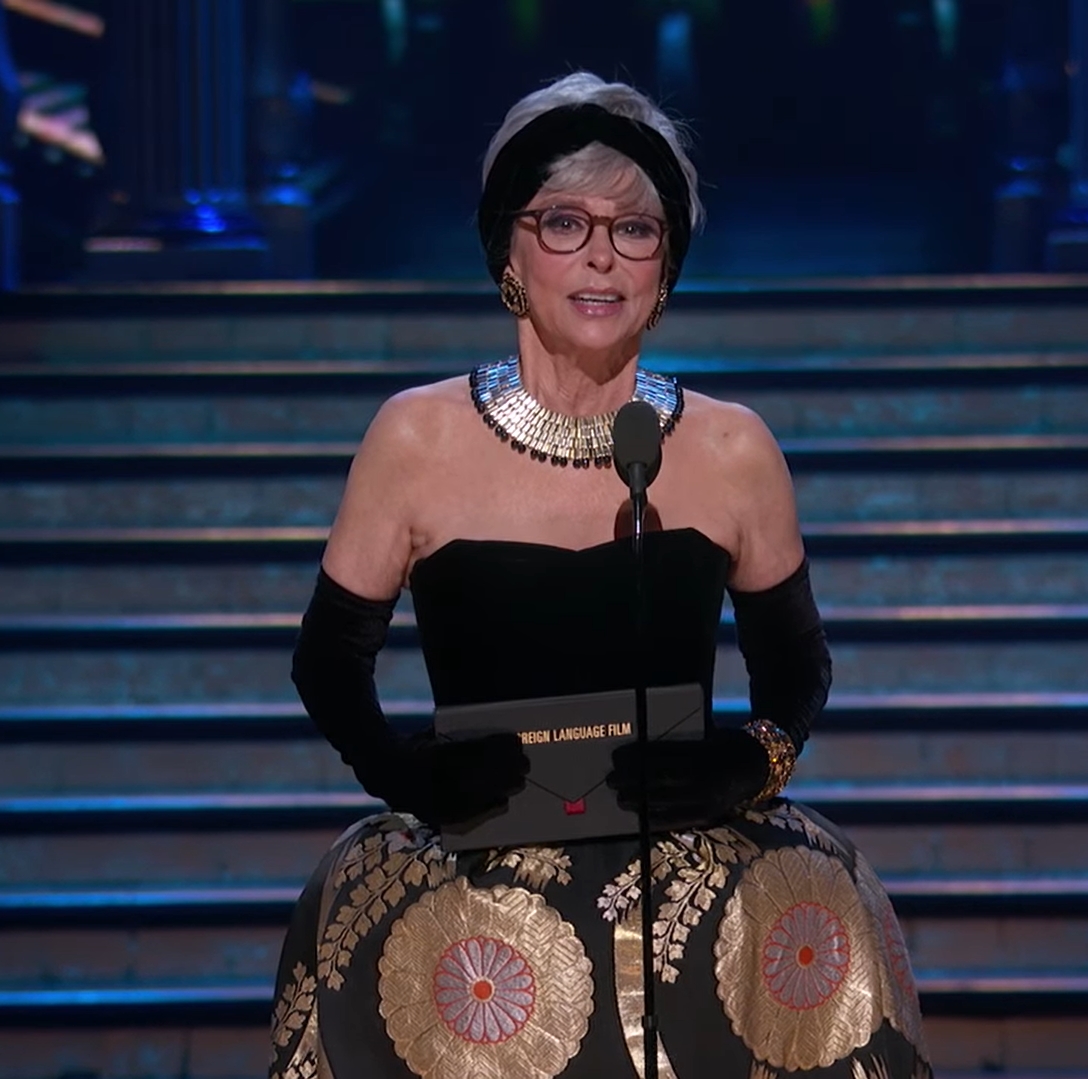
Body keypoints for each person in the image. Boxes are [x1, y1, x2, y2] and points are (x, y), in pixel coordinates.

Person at [270, 72, 932, 1079]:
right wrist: (405, 774)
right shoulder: (414, 436)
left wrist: (748, 762)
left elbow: (796, 668)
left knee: (824, 898)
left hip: (692, 870)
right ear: (508, 249)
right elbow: (327, 661)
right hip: (470, 873)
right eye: (564, 221)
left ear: (666, 264)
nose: (600, 255)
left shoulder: (732, 446)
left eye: (635, 230)